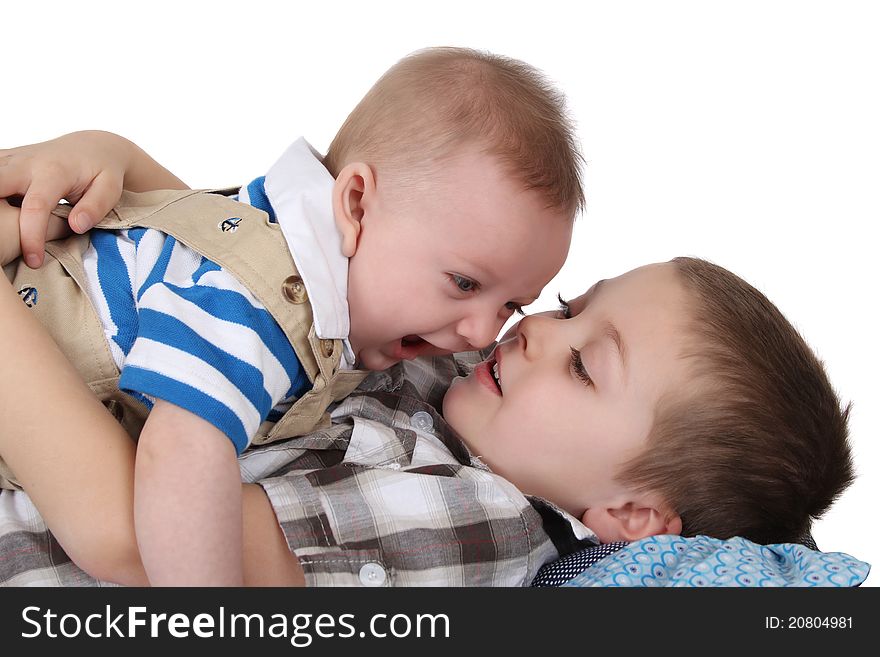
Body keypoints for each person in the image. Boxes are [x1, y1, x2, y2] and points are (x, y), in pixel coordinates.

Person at [0, 205, 856, 583]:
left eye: (585, 365)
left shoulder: (478, 523)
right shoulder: (470, 392)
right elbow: (283, 276)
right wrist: (116, 158)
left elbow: (145, 544)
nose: (534, 331)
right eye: (567, 307)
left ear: (631, 516)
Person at [0, 47, 582, 586]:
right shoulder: (275, 311)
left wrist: (114, 149)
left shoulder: (276, 231)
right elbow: (179, 455)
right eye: (464, 283)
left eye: (512, 304)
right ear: (356, 204)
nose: (483, 333)